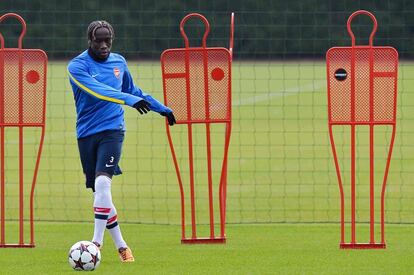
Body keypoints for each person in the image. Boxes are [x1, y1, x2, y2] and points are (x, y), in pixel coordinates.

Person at [67, 20, 176, 263]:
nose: (104, 45)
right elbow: (98, 90)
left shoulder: (119, 62)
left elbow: (134, 91)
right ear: (90, 41)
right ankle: (122, 246)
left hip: (113, 130)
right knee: (99, 193)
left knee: (104, 185)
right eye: (99, 41)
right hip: (86, 134)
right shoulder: (77, 66)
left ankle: (95, 244)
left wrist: (162, 108)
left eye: (108, 40)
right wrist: (128, 100)